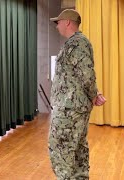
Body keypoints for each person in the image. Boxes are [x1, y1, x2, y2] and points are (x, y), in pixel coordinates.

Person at [48, 9, 106, 179]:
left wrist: (95, 94)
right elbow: (82, 74)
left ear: (67, 22)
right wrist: (94, 93)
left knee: (61, 148)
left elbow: (86, 74)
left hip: (69, 109)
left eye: (58, 22)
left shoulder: (77, 43)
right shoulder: (76, 43)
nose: (57, 25)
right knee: (78, 147)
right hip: (73, 106)